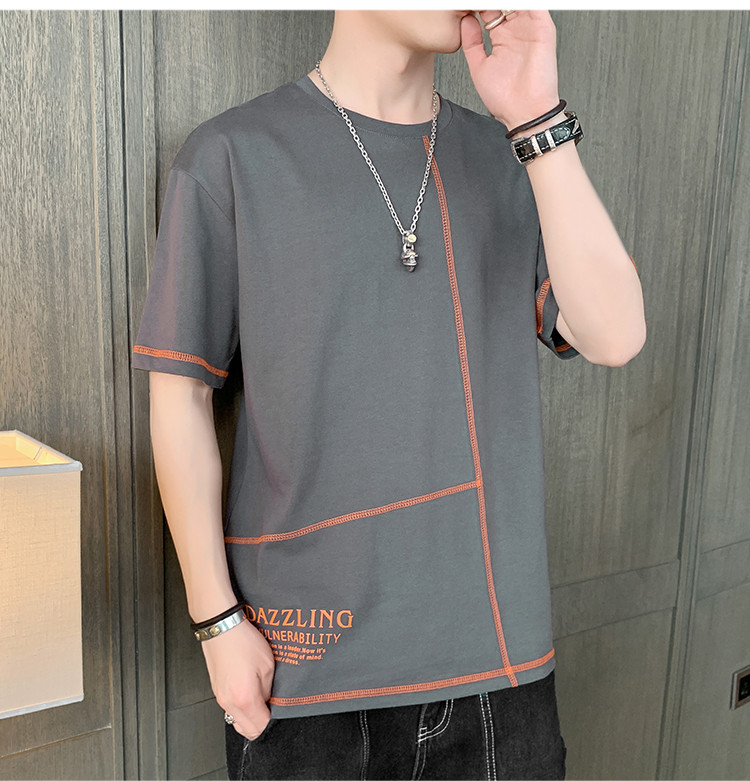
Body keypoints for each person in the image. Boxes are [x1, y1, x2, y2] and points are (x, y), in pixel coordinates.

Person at [131, 9, 646, 780]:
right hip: (305, 684)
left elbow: (615, 336)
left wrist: (538, 117)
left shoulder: (508, 158)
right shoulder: (232, 156)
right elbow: (180, 397)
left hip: (500, 677)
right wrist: (217, 623)